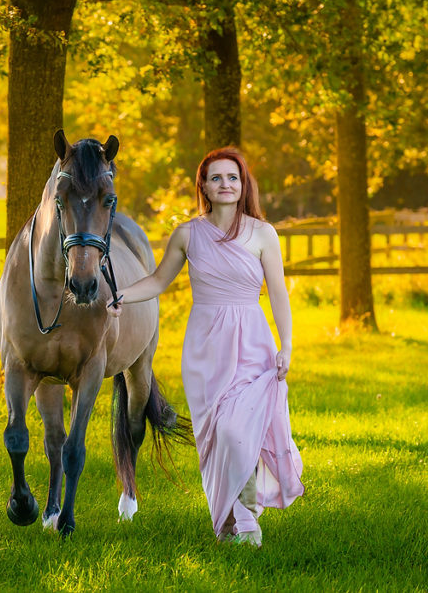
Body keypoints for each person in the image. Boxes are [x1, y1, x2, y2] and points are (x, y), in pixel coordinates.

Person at [107, 147, 304, 547]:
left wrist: (286, 346)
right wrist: (120, 295)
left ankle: (247, 517)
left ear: (243, 183)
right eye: (216, 178)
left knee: (238, 430)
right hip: (205, 346)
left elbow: (279, 294)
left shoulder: (263, 234)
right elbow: (159, 281)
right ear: (204, 187)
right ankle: (229, 521)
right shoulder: (187, 234)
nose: (225, 184)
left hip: (251, 338)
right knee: (215, 435)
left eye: (232, 177)